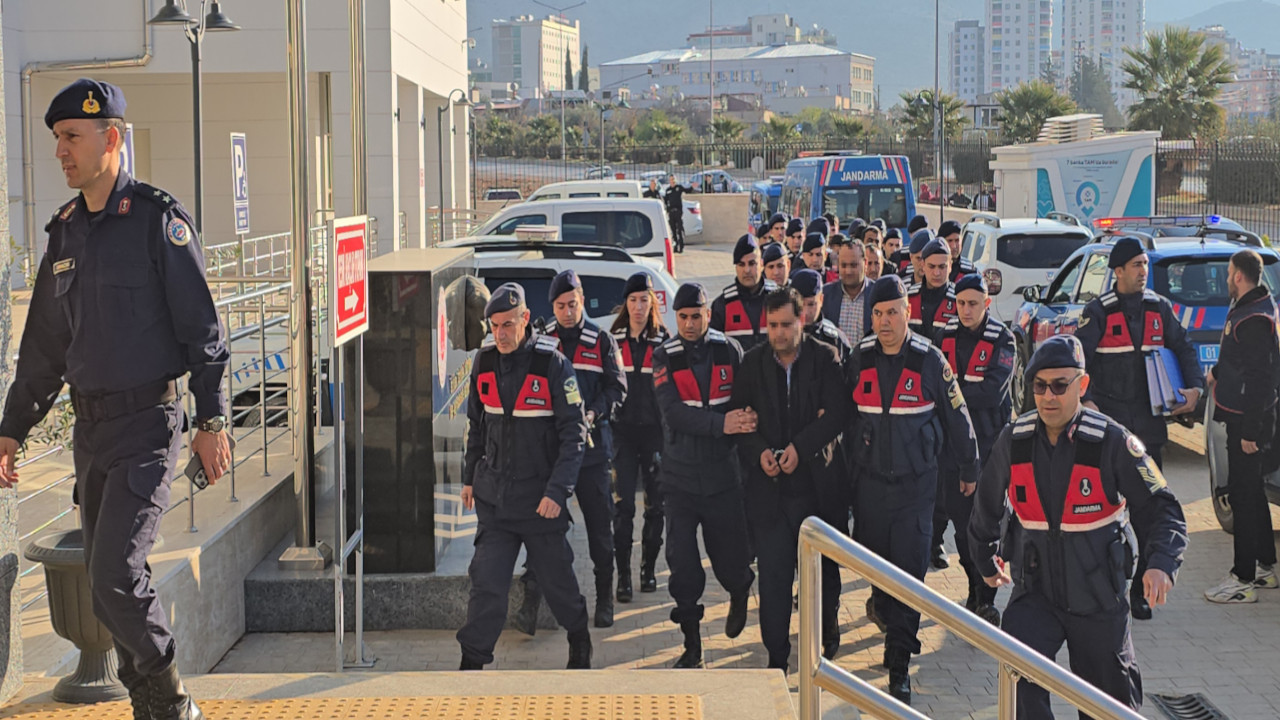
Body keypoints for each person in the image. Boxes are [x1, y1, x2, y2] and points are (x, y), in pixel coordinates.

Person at [0, 79, 229, 720]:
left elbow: (202, 328)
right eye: (56, 140)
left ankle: (173, 700)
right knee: (106, 597)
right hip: (92, 436)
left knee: (114, 575)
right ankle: (150, 706)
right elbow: (45, 345)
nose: (60, 152)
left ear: (113, 138)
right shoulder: (65, 235)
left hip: (148, 426)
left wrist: (211, 418)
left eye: (71, 137)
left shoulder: (158, 221)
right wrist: (12, 426)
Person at [970, 335, 1187, 720]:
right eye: (1040, 386)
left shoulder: (1111, 441)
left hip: (1099, 599)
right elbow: (986, 507)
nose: (1048, 396)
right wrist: (986, 562)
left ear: (1082, 385)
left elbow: (1163, 509)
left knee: (1110, 707)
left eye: (1059, 385)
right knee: (1018, 675)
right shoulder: (1013, 441)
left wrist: (1161, 564)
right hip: (1035, 596)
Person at [846, 275, 980, 705]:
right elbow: (842, 419)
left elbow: (958, 417)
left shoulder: (929, 360)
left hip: (916, 488)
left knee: (909, 573)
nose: (885, 322)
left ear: (907, 312)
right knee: (878, 571)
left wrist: (969, 467)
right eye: (878, 314)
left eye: (892, 312)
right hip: (869, 488)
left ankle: (900, 662)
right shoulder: (860, 357)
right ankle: (885, 613)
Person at [457, 283, 594, 671]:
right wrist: (469, 477)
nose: (500, 334)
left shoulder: (552, 365)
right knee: (486, 585)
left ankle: (579, 640)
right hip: (495, 503)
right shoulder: (483, 363)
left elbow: (574, 436)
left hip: (541, 504)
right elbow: (477, 426)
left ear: (526, 320)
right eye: (494, 326)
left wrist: (558, 492)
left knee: (559, 585)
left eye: (508, 325)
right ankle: (472, 662)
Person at [1074, 236, 1202, 619]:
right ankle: (1102, 583)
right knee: (1103, 510)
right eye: (1136, 266)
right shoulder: (1097, 312)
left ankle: (1142, 590)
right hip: (1108, 432)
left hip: (1148, 430)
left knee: (1149, 510)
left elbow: (1185, 347)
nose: (1143, 272)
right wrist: (1088, 400)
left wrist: (1194, 386)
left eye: (1146, 265)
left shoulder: (1159, 308)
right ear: (1117, 272)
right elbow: (1078, 360)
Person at [730, 288, 847, 671]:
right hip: (770, 495)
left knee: (822, 578)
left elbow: (835, 418)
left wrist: (801, 447)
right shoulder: (751, 364)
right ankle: (776, 659)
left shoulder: (825, 359)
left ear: (802, 320)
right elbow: (743, 422)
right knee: (775, 581)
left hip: (816, 491)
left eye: (787, 324)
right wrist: (759, 451)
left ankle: (824, 648)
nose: (779, 333)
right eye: (773, 325)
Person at [653, 283, 756, 668]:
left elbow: (745, 401)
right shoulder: (664, 356)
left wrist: (742, 423)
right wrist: (722, 424)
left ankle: (740, 589)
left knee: (729, 558)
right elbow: (673, 413)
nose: (691, 324)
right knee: (683, 564)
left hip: (722, 476)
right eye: (683, 317)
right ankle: (692, 645)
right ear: (675, 318)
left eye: (697, 316)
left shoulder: (729, 350)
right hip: (679, 477)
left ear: (708, 315)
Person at [539, 270, 628, 629]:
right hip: (554, 454)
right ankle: (548, 601)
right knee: (545, 529)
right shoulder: (543, 341)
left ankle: (604, 598)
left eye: (572, 304)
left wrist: (594, 411)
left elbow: (618, 388)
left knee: (599, 531)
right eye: (560, 306)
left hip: (592, 451)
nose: (567, 312)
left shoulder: (601, 340)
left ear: (582, 299)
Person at [933, 273, 1015, 624]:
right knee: (962, 525)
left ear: (986, 303)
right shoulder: (943, 337)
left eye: (973, 304)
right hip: (953, 449)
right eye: (960, 304)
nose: (965, 310)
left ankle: (988, 598)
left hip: (992, 447)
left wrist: (952, 396)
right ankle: (975, 588)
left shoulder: (1003, 339)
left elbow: (993, 392)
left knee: (990, 524)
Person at [1204, 249, 1280, 603]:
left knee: (1243, 497)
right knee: (1251, 493)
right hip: (1240, 417)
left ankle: (1242, 580)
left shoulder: (1254, 318)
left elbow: (1261, 379)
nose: (1226, 279)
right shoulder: (1249, 307)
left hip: (1249, 424)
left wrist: (1252, 431)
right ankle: (1266, 566)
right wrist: (1217, 373)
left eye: (1228, 272)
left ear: (1238, 276)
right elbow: (1236, 359)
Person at [610, 273, 669, 600]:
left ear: (652, 302)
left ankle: (648, 570)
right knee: (623, 509)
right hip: (622, 435)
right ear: (625, 304)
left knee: (655, 506)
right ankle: (623, 578)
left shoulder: (663, 339)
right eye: (633, 300)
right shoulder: (613, 339)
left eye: (644, 299)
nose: (638, 306)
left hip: (655, 435)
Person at [711, 234, 776, 354]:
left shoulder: (778, 298)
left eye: (752, 263)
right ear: (736, 267)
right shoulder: (722, 305)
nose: (747, 270)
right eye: (741, 264)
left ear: (761, 264)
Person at [793, 269, 852, 361]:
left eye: (811, 304)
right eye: (800, 305)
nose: (806, 312)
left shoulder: (835, 339)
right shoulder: (782, 335)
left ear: (821, 299)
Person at [823, 242, 872, 347]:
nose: (848, 271)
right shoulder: (826, 295)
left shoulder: (877, 293)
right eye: (844, 265)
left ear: (866, 263)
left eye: (854, 265)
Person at [937, 220, 977, 284]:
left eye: (957, 240)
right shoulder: (932, 268)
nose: (954, 246)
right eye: (950, 241)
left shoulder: (969, 270)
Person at [664, 174, 692, 253]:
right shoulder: (668, 190)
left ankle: (681, 246)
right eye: (671, 180)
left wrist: (692, 186)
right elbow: (666, 201)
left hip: (678, 212)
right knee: (673, 230)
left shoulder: (679, 188)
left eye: (673, 179)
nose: (672, 181)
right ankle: (675, 246)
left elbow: (687, 191)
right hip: (671, 212)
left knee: (679, 229)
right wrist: (667, 210)